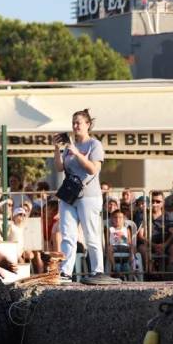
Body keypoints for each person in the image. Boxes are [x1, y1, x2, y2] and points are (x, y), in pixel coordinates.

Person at [53, 109, 112, 284]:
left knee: (91, 234)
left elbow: (93, 169)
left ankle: (97, 270)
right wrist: (57, 149)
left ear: (88, 124)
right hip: (69, 194)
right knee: (67, 234)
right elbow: (59, 168)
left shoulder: (94, 144)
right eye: (73, 123)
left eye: (78, 122)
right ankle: (65, 272)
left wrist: (77, 153)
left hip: (89, 196)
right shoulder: (70, 145)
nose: (75, 126)